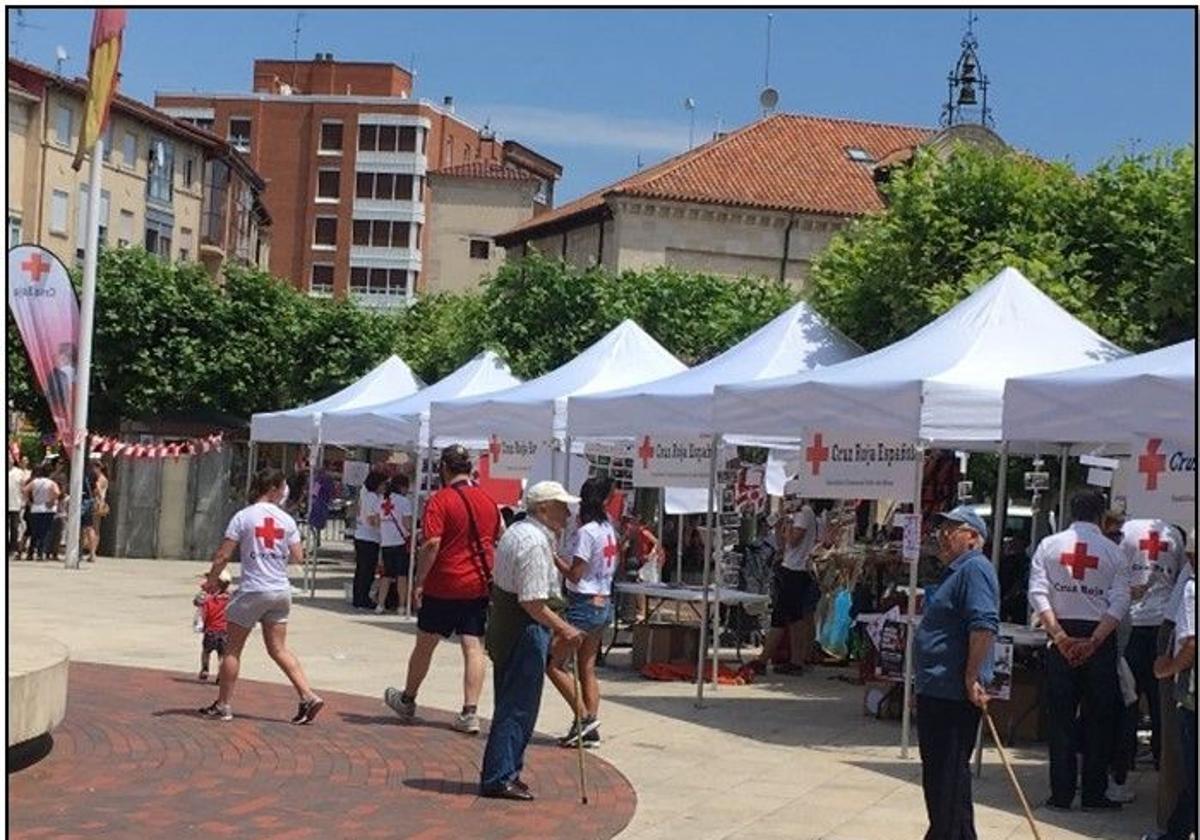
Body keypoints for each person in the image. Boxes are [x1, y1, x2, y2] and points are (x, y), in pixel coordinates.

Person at [384, 445, 502, 735]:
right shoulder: (488, 500)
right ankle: (470, 711)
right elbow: (498, 536)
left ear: (444, 469)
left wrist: (420, 580)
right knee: (473, 646)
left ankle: (408, 698)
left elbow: (432, 543)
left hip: (444, 583)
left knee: (425, 643)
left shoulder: (440, 500)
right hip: (477, 583)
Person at [1028, 489, 1131, 811]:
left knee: (1059, 720)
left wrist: (1059, 637)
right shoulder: (1113, 553)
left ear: (1070, 512)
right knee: (1100, 719)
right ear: (1102, 516)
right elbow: (1121, 601)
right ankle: (1093, 792)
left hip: (1060, 637)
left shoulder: (1048, 545)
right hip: (1098, 639)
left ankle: (1060, 794)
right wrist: (1095, 642)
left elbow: (1038, 593)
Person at [480, 481, 583, 800]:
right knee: (518, 705)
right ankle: (500, 775)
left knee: (513, 702)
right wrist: (565, 628)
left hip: (510, 627)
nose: (567, 513)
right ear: (543, 508)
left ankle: (506, 769)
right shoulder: (535, 542)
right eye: (561, 506)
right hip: (523, 630)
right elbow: (533, 601)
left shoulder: (519, 532)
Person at [198, 468, 323, 724]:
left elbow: (223, 555)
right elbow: (299, 557)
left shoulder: (243, 517)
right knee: (278, 649)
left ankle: (223, 704)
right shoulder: (287, 521)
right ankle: (307, 695)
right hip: (280, 591)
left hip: (254, 589)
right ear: (275, 489)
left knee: (232, 649)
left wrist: (212, 580)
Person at [914, 506, 999, 840]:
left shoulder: (975, 569)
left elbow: (983, 625)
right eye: (941, 529)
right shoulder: (956, 571)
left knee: (946, 778)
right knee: (942, 779)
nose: (943, 536)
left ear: (973, 538)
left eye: (952, 529)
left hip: (952, 692)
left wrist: (970, 676)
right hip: (936, 689)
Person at [547, 476, 618, 747]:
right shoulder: (608, 528)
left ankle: (585, 718)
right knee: (587, 666)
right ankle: (590, 727)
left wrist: (555, 559)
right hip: (604, 599)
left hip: (584, 602)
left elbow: (576, 575)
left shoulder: (587, 532)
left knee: (554, 663)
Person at [1121, 517, 1184, 772]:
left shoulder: (1126, 533)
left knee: (1128, 696)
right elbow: (1180, 576)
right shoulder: (1173, 535)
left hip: (1131, 624)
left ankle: (1123, 760)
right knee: (1161, 699)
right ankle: (1162, 759)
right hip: (1162, 624)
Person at [1146, 528, 1196, 839]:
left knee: (1191, 771)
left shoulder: (1193, 587)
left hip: (1193, 696)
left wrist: (1167, 668)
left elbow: (1191, 642)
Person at [750, 499, 820, 675]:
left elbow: (794, 540)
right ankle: (796, 660)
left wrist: (788, 522)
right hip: (789, 567)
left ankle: (763, 660)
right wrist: (782, 520)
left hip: (798, 571)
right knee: (795, 617)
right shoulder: (795, 516)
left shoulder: (804, 514)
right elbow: (782, 544)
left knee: (780, 616)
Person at [376, 474, 413, 614]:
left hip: (385, 542)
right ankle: (401, 606)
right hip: (400, 542)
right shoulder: (404, 501)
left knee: (386, 575)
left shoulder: (382, 500)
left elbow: (377, 521)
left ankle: (380, 605)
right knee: (402, 575)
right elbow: (407, 523)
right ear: (402, 487)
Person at [352, 471, 385, 609]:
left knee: (361, 570)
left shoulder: (366, 496)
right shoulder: (372, 498)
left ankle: (358, 597)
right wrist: (381, 526)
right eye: (383, 484)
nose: (384, 487)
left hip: (362, 536)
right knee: (367, 570)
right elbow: (372, 518)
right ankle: (362, 598)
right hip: (369, 537)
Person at [194, 568, 233, 681]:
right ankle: (220, 674)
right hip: (225, 631)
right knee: (222, 655)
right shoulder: (229, 599)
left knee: (206, 651)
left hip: (210, 630)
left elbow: (197, 602)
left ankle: (205, 669)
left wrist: (203, 591)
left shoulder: (208, 598)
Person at [23, 464, 60, 562]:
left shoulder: (35, 482)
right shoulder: (51, 483)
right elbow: (57, 492)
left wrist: (29, 502)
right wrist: (51, 501)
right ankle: (40, 553)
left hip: (36, 508)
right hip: (48, 509)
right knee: (45, 532)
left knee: (35, 532)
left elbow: (25, 490)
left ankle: (30, 553)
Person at [7, 454, 30, 558]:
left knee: (14, 527)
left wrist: (24, 501)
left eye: (10, 459)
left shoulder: (19, 473)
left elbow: (23, 487)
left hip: (15, 504)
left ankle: (13, 548)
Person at [87, 460, 109, 562]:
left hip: (96, 503)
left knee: (92, 527)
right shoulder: (104, 478)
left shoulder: (100, 479)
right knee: (96, 528)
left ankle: (92, 553)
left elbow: (98, 491)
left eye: (94, 467)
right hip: (100, 503)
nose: (92, 470)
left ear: (98, 468)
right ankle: (93, 552)